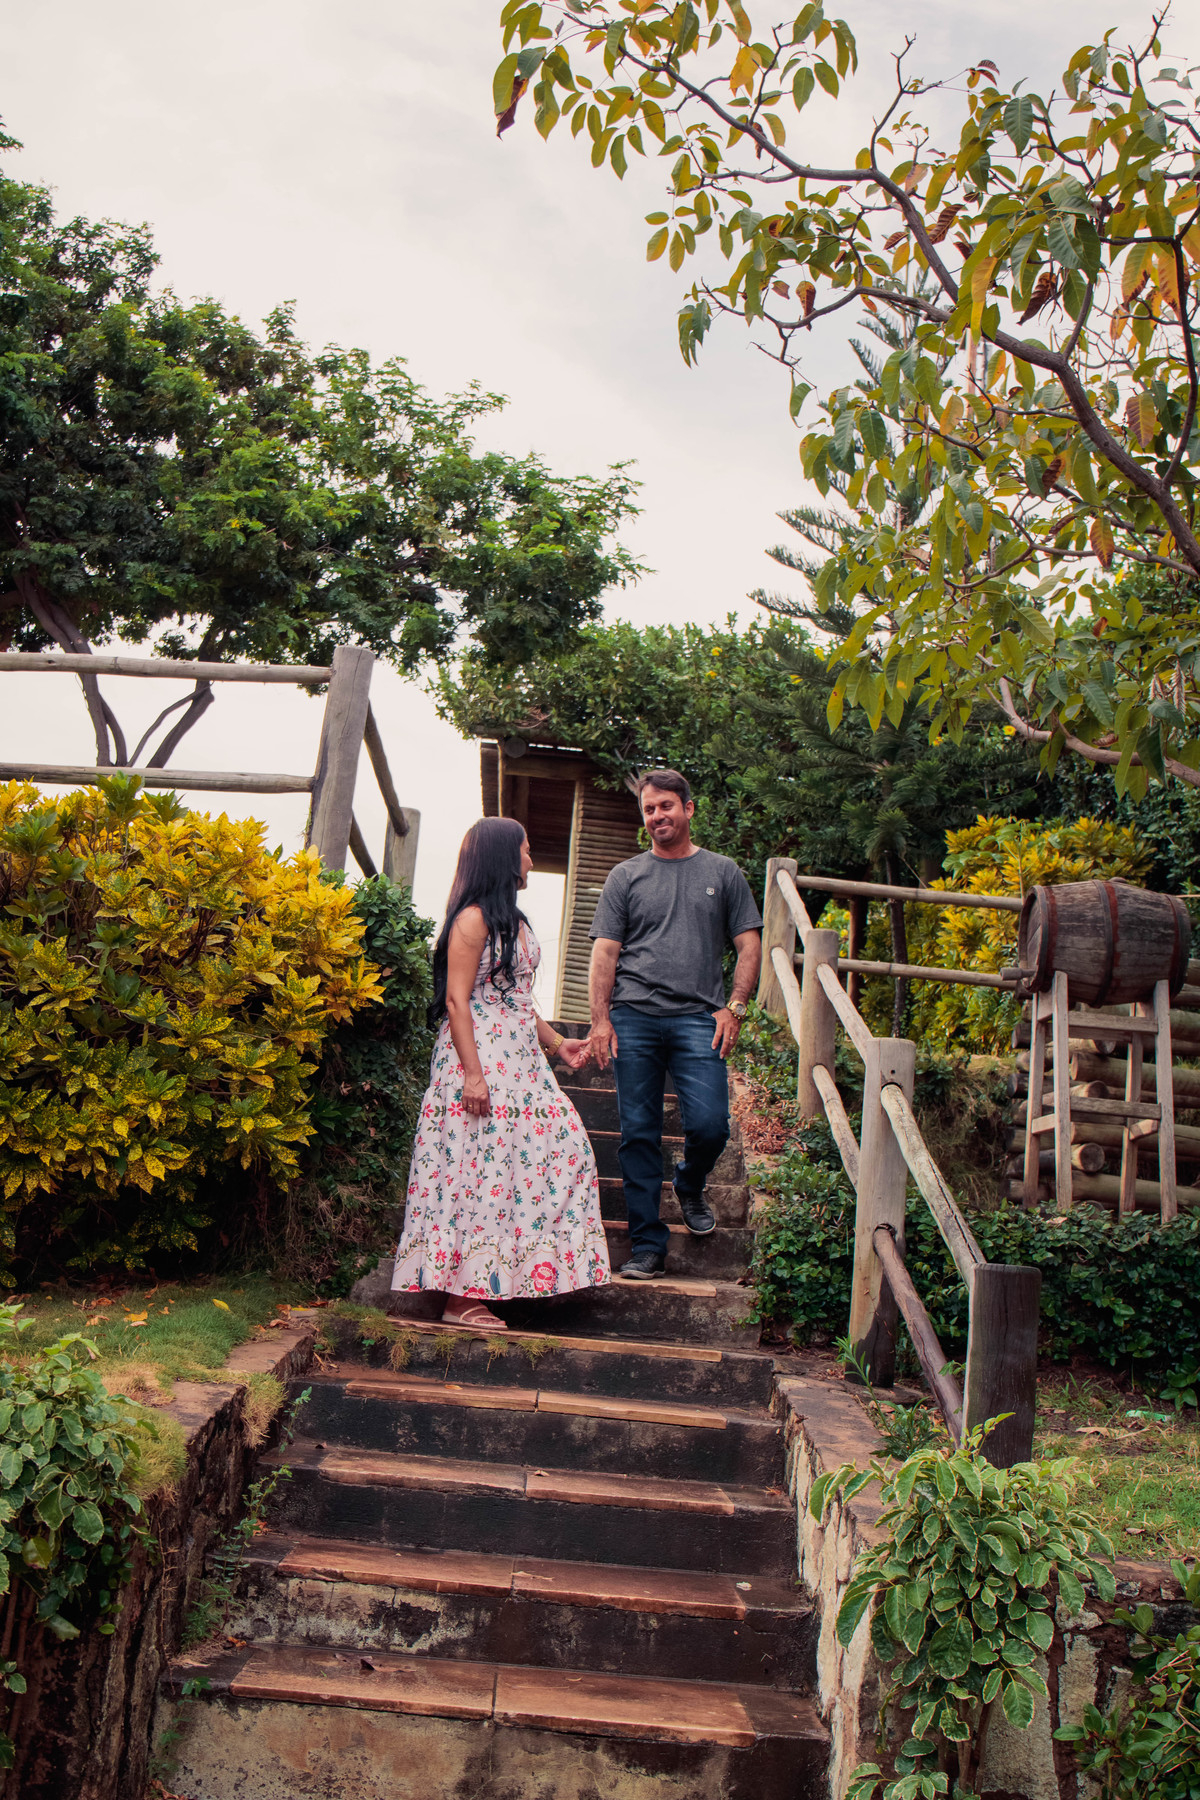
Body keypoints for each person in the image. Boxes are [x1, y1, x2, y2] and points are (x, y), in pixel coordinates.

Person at [392, 816, 610, 1328]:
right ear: (503, 857)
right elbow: (457, 1000)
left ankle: (511, 1274)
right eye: (526, 850)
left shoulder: (516, 921)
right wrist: (472, 1075)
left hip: (522, 1061)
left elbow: (517, 1000)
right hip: (479, 1057)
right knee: (478, 1169)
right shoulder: (471, 920)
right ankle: (460, 1299)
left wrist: (558, 1044)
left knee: (565, 1148)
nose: (531, 859)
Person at [586, 771, 763, 1279]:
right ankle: (647, 1247)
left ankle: (689, 1182)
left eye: (665, 806)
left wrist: (735, 1007)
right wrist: (600, 1021)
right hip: (634, 1017)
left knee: (710, 1125)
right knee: (638, 1134)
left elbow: (749, 944)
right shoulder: (626, 876)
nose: (657, 816)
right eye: (648, 809)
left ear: (688, 808)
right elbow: (605, 953)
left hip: (698, 1018)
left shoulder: (722, 872)